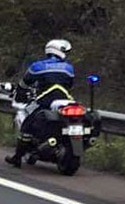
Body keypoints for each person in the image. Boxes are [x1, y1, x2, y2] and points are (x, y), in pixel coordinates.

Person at [5, 39, 75, 168]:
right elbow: (69, 84)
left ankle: (17, 157)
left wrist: (20, 93)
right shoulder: (69, 68)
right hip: (66, 99)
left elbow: (25, 83)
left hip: (46, 99)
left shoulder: (38, 66)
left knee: (27, 126)